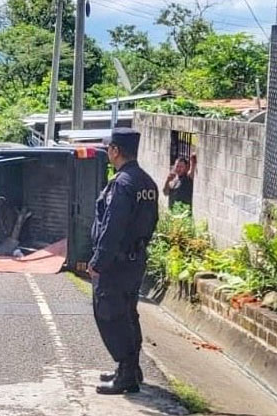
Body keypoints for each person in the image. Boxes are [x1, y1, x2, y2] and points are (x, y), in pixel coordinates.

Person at [87, 128, 159, 395]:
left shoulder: (122, 183)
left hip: (116, 263)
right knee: (128, 313)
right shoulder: (146, 183)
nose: (108, 152)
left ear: (116, 150)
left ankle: (126, 374)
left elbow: (112, 227)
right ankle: (130, 368)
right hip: (135, 259)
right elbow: (152, 222)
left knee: (110, 316)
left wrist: (98, 261)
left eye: (109, 148)